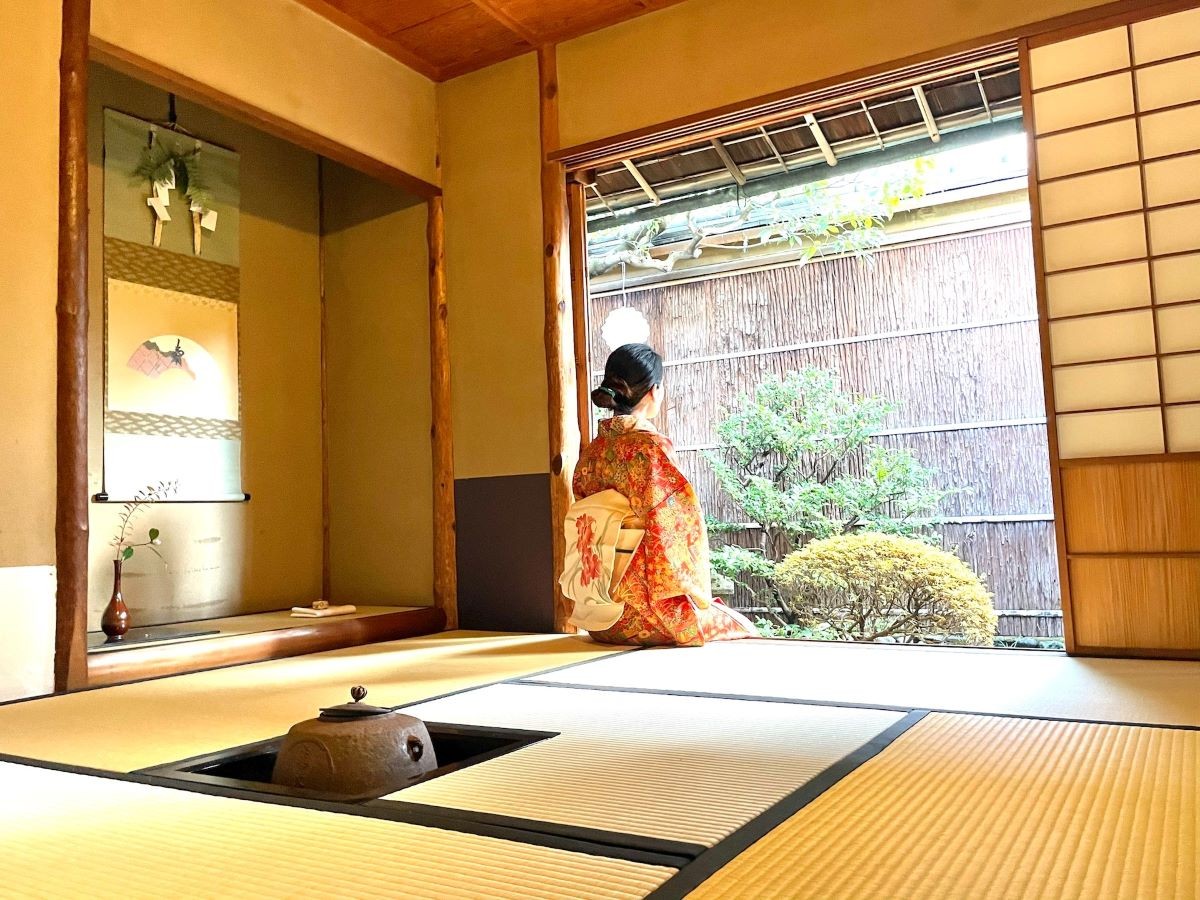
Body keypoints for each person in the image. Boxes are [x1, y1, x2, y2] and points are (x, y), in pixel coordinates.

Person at [566, 343, 757, 647]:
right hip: (645, 614)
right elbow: (674, 527)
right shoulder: (649, 446)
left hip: (599, 617)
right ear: (654, 391)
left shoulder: (592, 452)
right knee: (740, 624)